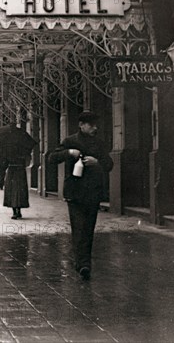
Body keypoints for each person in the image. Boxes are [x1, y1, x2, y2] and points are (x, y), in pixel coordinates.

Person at [48, 111, 113, 280]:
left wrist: (96, 162)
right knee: (79, 228)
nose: (95, 128)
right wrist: (69, 153)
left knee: (88, 229)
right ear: (81, 125)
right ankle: (82, 263)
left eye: (95, 125)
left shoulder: (99, 143)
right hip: (75, 193)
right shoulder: (70, 141)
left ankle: (84, 263)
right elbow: (52, 158)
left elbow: (109, 164)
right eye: (91, 125)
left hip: (93, 192)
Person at [0, 125, 33, 220]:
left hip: (11, 170)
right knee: (19, 190)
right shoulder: (23, 146)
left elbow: (3, 161)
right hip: (20, 170)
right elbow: (27, 160)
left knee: (12, 190)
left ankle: (15, 211)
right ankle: (18, 210)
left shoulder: (7, 146)